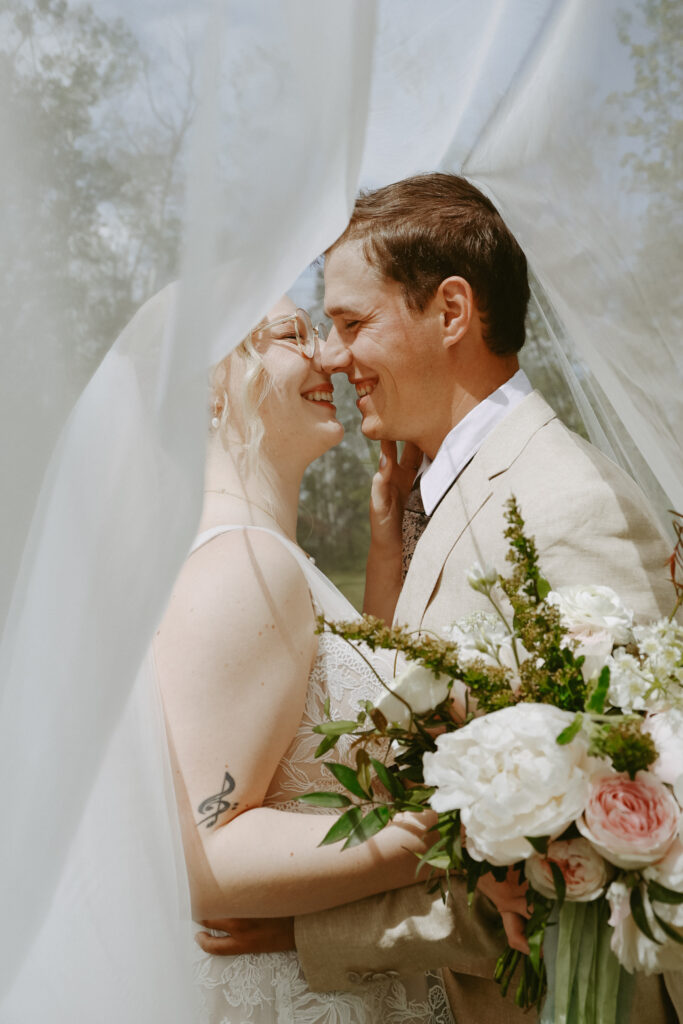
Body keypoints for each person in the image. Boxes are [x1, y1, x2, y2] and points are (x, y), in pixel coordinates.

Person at [199, 174, 681, 1022]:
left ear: (451, 312)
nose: (334, 356)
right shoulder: (434, 497)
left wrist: (313, 935)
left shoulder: (569, 508)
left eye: (351, 323)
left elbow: (603, 870)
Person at [154, 294, 457, 1023]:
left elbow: (320, 743)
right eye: (293, 336)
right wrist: (444, 832)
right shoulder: (242, 566)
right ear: (209, 384)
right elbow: (209, 857)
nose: (331, 355)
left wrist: (384, 555)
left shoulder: (266, 560)